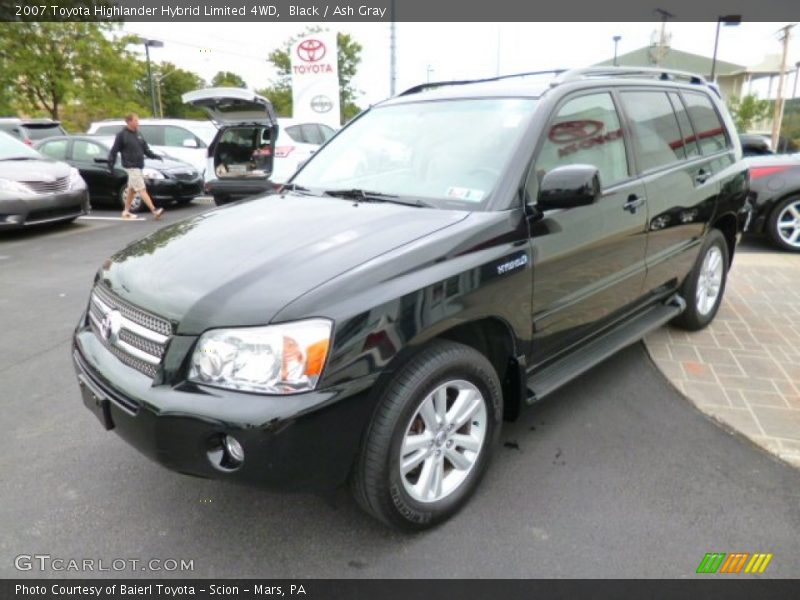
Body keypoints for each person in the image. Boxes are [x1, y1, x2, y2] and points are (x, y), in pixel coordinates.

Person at [107, 113, 165, 220]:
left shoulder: (138, 134)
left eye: (138, 120)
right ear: (129, 122)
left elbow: (145, 149)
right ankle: (154, 210)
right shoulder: (122, 135)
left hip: (139, 166)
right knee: (142, 189)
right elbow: (114, 151)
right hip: (131, 166)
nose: (138, 123)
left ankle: (126, 211)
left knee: (132, 190)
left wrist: (155, 156)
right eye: (136, 121)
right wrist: (110, 164)